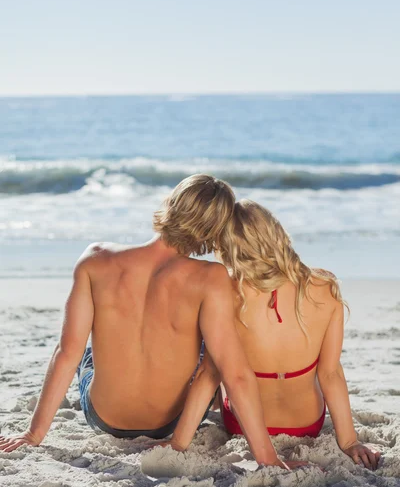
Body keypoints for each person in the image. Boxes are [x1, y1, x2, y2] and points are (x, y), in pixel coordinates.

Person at [0, 176, 300, 470]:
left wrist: (33, 434)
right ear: (214, 231)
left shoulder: (95, 258)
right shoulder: (210, 278)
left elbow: (66, 354)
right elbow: (235, 375)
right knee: (210, 352)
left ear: (170, 204)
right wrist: (267, 458)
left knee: (85, 352)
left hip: (104, 419)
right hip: (167, 422)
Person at [160, 199, 381, 471]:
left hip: (240, 425)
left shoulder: (227, 294)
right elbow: (330, 373)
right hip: (307, 424)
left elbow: (209, 375)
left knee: (215, 358)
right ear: (277, 234)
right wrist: (349, 442)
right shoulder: (325, 288)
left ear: (229, 248)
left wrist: (178, 444)